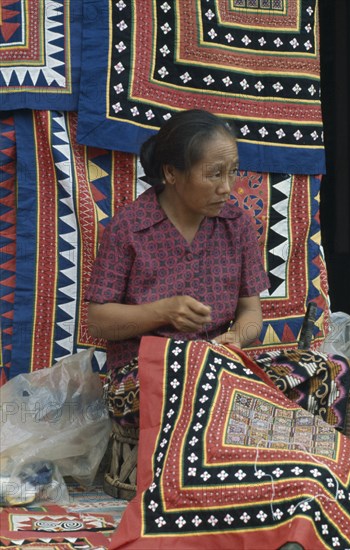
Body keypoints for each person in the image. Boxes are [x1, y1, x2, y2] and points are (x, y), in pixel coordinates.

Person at [85, 108, 270, 429]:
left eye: (232, 172)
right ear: (171, 173)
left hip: (217, 365)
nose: (227, 187)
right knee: (199, 392)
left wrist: (236, 339)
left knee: (322, 372)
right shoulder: (129, 227)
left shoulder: (236, 225)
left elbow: (251, 313)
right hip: (142, 374)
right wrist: (163, 312)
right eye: (214, 174)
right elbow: (99, 323)